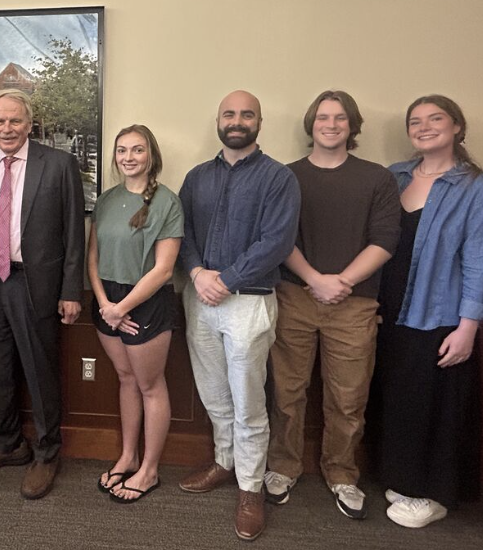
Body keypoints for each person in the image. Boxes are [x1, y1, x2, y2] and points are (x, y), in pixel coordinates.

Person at [263, 91, 400, 519]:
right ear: (311, 124)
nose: (331, 124)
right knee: (286, 393)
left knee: (348, 397)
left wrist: (341, 282)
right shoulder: (287, 176)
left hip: (355, 303)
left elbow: (385, 241)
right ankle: (283, 467)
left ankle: (342, 474)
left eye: (340, 118)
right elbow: (279, 238)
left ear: (352, 125)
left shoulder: (377, 178)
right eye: (323, 117)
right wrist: (315, 279)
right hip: (294, 297)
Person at [177, 90, 300, 541]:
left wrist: (224, 279)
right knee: (214, 395)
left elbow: (276, 242)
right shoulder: (196, 177)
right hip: (199, 298)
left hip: (248, 301)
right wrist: (195, 271)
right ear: (218, 120)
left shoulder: (278, 178)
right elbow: (182, 231)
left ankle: (251, 489)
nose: (237, 120)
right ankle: (225, 464)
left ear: (259, 122)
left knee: (249, 403)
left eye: (246, 114)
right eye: (229, 113)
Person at [376, 95, 483, 528]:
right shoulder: (393, 178)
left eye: (436, 119)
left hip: (441, 315)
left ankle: (436, 494)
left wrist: (469, 326)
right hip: (388, 310)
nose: (424, 126)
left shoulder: (478, 188)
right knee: (398, 400)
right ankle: (402, 478)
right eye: (416, 120)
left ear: (457, 127)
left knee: (437, 405)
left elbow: (482, 259)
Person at [0, 88, 84, 500]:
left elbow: (73, 233)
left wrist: (70, 290)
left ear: (29, 125)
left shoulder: (60, 165)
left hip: (37, 285)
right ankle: (8, 443)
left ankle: (47, 452)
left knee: (39, 370)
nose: (7, 128)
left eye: (15, 121)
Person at [88, 125, 183, 503]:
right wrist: (105, 307)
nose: (128, 157)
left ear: (151, 156)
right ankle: (128, 457)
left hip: (146, 300)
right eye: (122, 150)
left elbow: (163, 269)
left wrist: (122, 309)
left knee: (149, 385)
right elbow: (92, 258)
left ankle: (150, 470)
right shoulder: (106, 200)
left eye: (137, 150)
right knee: (125, 378)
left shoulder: (167, 202)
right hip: (106, 300)